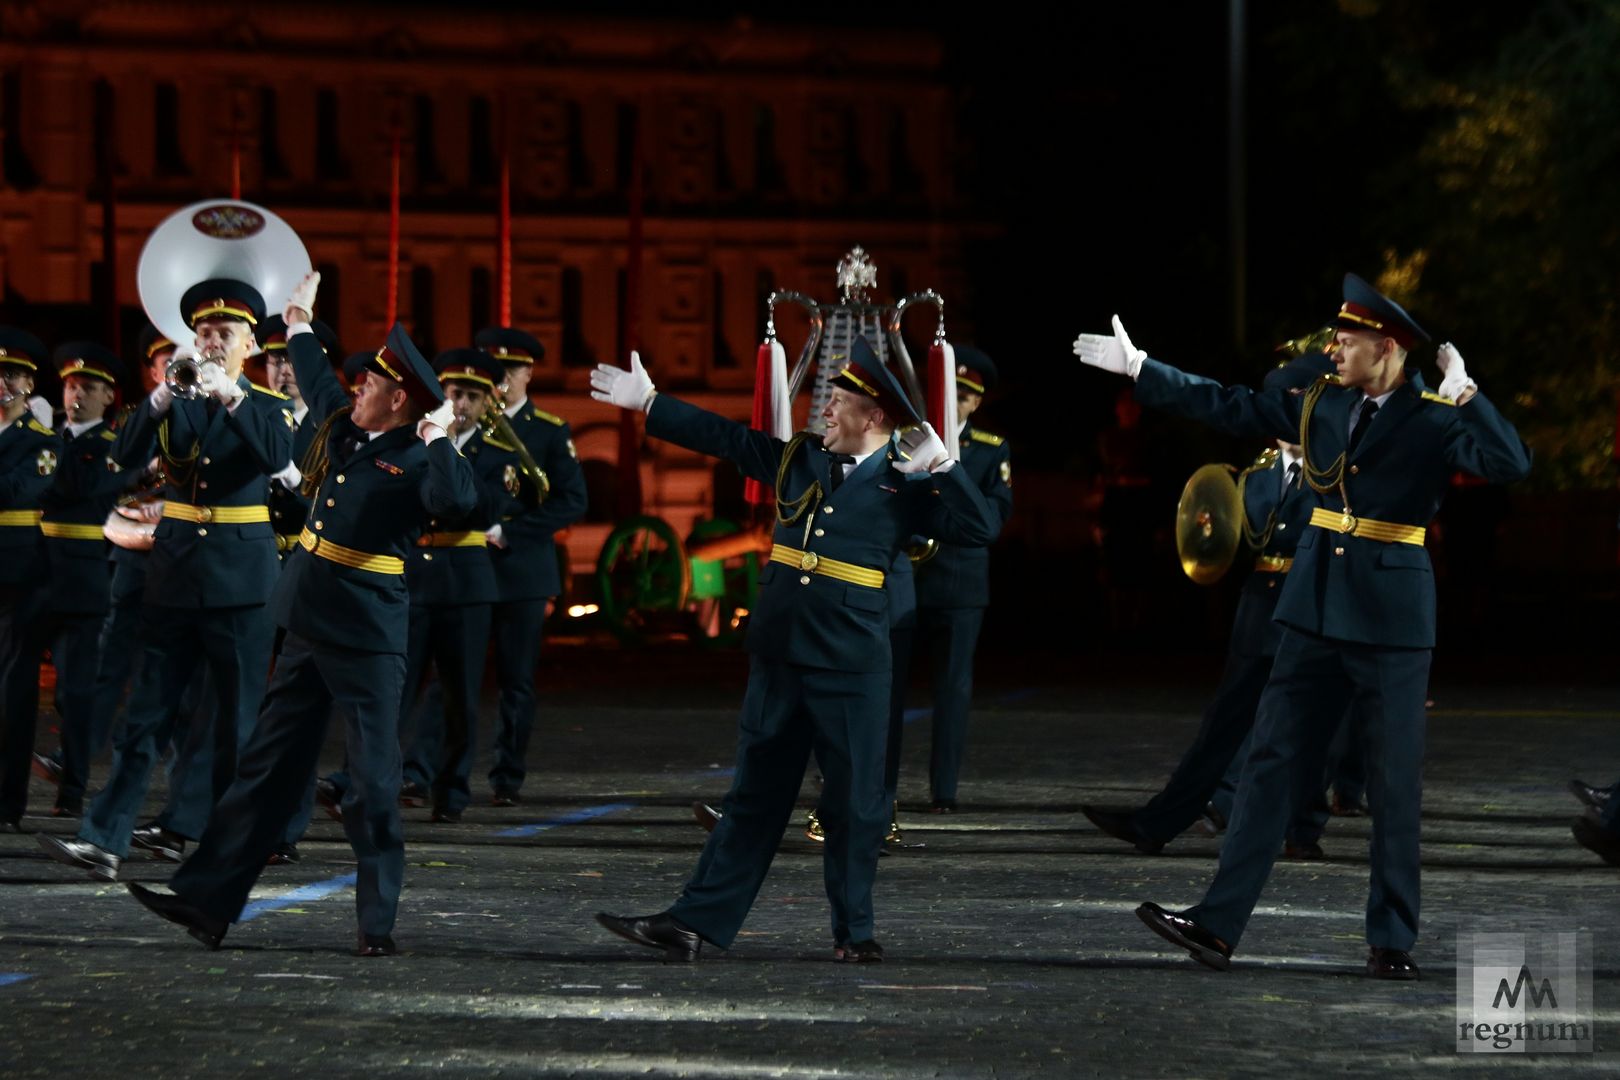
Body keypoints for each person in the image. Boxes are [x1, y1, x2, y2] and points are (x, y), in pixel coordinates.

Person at [1075, 273, 1531, 979]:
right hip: (1315, 607)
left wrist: (1467, 394)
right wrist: (1142, 369)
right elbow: (1231, 405)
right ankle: (1218, 924)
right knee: (1268, 768)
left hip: (1388, 616)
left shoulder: (1435, 417)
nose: (1335, 349)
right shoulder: (1322, 403)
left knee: (1393, 784)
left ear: (1387, 346)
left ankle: (1391, 939)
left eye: (1348, 340)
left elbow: (1509, 462)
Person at [590, 338, 998, 962]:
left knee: (855, 804)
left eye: (838, 402)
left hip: (852, 663)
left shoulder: (908, 482)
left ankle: (854, 933)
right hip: (781, 654)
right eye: (827, 399)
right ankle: (694, 923)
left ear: (876, 417)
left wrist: (944, 469)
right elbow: (725, 438)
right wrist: (650, 402)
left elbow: (980, 529)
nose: (824, 412)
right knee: (752, 797)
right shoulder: (797, 461)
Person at [122, 272, 475, 956]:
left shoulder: (415, 458)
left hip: (367, 638)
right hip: (310, 624)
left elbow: (459, 503)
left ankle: (377, 922)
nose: (355, 391)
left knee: (372, 782)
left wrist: (438, 437)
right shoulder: (345, 428)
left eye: (370, 385)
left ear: (399, 400)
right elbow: (314, 377)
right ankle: (205, 902)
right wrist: (301, 321)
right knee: (264, 770)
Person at [39, 279, 291, 878]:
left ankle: (232, 847)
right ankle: (104, 838)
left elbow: (279, 464)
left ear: (249, 343)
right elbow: (119, 458)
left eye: (224, 333)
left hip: (242, 577)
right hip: (175, 573)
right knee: (146, 714)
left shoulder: (269, 405)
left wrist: (233, 397)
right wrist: (155, 399)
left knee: (236, 723)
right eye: (203, 331)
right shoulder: (174, 400)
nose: (210, 340)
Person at [1081, 353, 1330, 854]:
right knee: (1224, 723)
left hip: (1311, 607)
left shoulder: (1334, 471)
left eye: (1292, 400)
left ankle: (1302, 829)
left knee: (1306, 723)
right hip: (1259, 609)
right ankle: (1158, 822)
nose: (1280, 413)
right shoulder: (1257, 475)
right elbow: (1237, 538)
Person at [395, 347, 521, 823]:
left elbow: (483, 509)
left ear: (487, 403)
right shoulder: (418, 442)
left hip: (466, 583)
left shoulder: (498, 456)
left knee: (459, 697)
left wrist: (449, 455)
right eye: (454, 393)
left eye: (471, 395)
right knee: (397, 690)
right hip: (416, 576)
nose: (461, 403)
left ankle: (451, 791)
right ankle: (374, 780)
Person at [473, 325, 588, 806]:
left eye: (510, 373)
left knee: (516, 681)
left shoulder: (548, 431)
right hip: (470, 566)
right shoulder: (469, 425)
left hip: (521, 569)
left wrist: (512, 531)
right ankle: (424, 772)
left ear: (528, 374)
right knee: (449, 676)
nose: (500, 383)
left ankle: (506, 777)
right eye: (493, 374)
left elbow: (572, 501)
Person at [28, 344, 141, 820]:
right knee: (15, 688)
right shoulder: (45, 438)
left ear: (108, 397)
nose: (77, 395)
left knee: (75, 692)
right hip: (33, 572)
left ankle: (71, 788)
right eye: (72, 385)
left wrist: (37, 444)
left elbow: (73, 486)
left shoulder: (115, 447)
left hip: (83, 576)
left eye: (89, 388)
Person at [907, 345, 1013, 812]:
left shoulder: (991, 451)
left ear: (976, 403)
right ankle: (876, 786)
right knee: (885, 687)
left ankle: (943, 792)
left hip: (959, 583)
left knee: (952, 690)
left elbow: (994, 516)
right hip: (908, 579)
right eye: (953, 393)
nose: (958, 403)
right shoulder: (908, 438)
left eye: (966, 397)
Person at [0, 328, 56, 831]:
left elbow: (16, 492)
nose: (2, 383)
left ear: (28, 383)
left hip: (16, 577)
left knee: (12, 693)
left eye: (11, 374)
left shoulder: (42, 443)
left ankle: (6, 801)